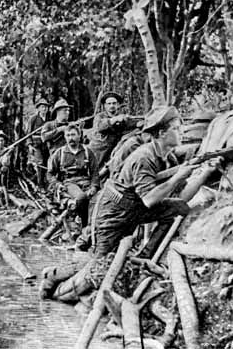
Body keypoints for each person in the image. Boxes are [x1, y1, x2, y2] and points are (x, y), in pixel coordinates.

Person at [39, 106, 195, 302]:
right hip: (112, 213)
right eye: (177, 128)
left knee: (178, 209)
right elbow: (150, 199)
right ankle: (55, 282)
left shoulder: (167, 156)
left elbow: (178, 195)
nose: (182, 132)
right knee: (99, 269)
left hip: (135, 208)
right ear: (162, 133)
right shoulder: (144, 157)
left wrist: (200, 170)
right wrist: (177, 177)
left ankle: (143, 258)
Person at [47, 124, 100, 227]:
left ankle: (90, 225)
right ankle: (82, 225)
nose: (71, 138)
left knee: (98, 200)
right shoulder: (60, 153)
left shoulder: (87, 152)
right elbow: (50, 173)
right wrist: (57, 185)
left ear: (79, 135)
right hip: (69, 183)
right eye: (68, 135)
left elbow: (94, 172)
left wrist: (94, 186)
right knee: (81, 197)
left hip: (86, 181)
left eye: (73, 135)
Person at [88, 91, 138, 168]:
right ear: (105, 106)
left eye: (114, 103)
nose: (112, 106)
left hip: (112, 153)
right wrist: (113, 120)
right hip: (98, 152)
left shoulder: (121, 117)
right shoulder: (99, 117)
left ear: (118, 105)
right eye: (109, 104)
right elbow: (100, 127)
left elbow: (132, 124)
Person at [26, 98, 49, 189]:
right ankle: (40, 185)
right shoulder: (33, 119)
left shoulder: (49, 118)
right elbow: (28, 133)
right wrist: (29, 145)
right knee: (40, 163)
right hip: (36, 144)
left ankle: (43, 181)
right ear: (38, 108)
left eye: (46, 107)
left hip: (47, 144)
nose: (44, 109)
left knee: (47, 163)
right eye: (43, 107)